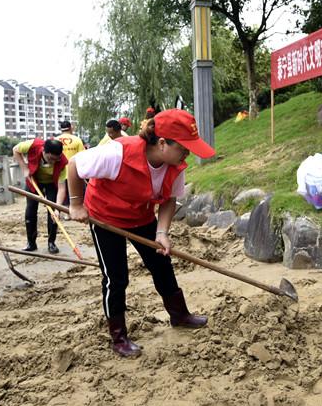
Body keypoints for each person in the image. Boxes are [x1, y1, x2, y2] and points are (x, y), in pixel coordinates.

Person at [67, 109, 215, 357]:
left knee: (162, 264)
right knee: (117, 277)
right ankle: (119, 337)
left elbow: (169, 200)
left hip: (141, 216)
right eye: (184, 147)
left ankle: (180, 315)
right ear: (162, 143)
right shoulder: (117, 153)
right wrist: (75, 204)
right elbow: (74, 165)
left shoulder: (174, 165)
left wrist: (162, 232)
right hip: (106, 217)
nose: (187, 153)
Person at [13, 138, 68, 253]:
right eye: (51, 158)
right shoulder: (33, 145)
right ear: (44, 151)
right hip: (34, 180)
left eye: (56, 159)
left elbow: (62, 188)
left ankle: (51, 243)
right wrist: (24, 168)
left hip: (52, 183)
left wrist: (58, 209)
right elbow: (15, 150)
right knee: (30, 210)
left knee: (53, 212)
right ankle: (31, 243)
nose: (53, 162)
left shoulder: (62, 161)